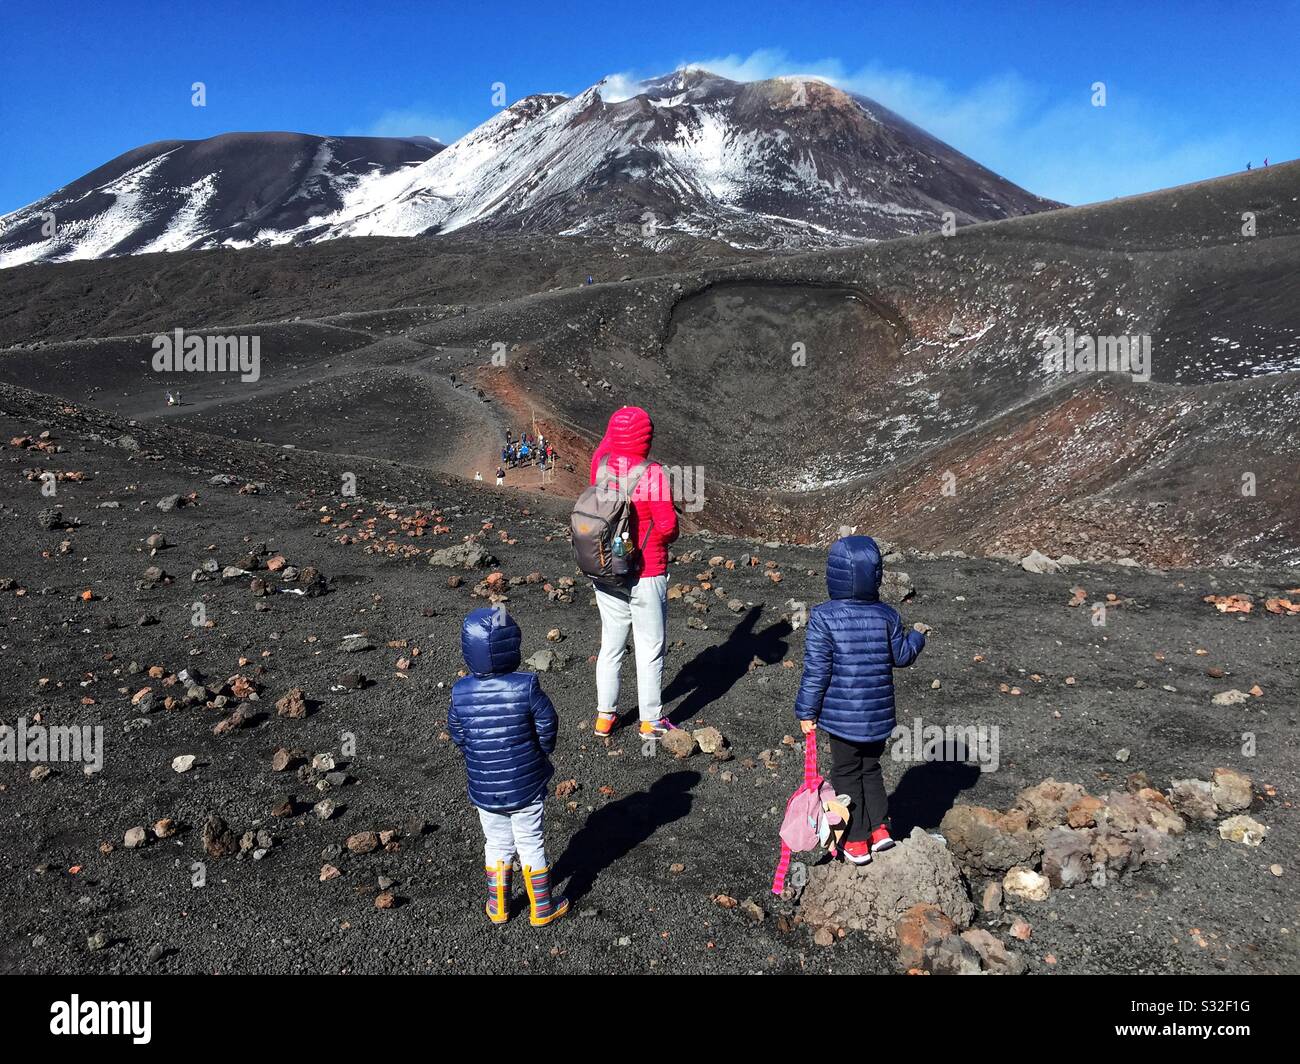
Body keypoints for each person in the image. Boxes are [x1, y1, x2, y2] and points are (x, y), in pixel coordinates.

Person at [793, 535, 929, 866]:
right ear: (876, 574)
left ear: (833, 574)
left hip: (841, 719)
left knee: (846, 772)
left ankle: (855, 840)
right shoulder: (887, 615)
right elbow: (901, 656)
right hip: (877, 718)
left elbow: (816, 672)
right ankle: (880, 830)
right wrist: (916, 638)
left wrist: (806, 711)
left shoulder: (824, 618)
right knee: (871, 768)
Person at [447, 608, 568, 927]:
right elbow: (547, 721)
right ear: (512, 645)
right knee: (530, 842)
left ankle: (498, 905)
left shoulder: (460, 692)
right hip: (526, 785)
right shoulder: (525, 685)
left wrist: (476, 755)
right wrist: (542, 751)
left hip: (484, 786)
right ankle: (542, 907)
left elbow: (457, 732)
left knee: (497, 843)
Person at [589, 406, 680, 738]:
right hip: (647, 570)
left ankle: (605, 717)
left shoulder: (599, 468)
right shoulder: (652, 474)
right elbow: (668, 527)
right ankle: (650, 721)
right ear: (647, 437)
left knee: (611, 645)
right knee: (649, 646)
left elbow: (604, 448)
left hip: (607, 570)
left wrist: (613, 430)